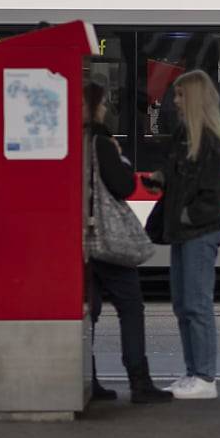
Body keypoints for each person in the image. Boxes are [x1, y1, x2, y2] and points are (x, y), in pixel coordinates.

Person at [144, 70, 220, 400]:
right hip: (185, 230)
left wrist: (185, 214)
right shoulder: (187, 136)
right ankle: (192, 372)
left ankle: (204, 377)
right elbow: (178, 175)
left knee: (196, 304)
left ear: (195, 98)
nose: (175, 101)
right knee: (184, 304)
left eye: (181, 95)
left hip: (199, 230)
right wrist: (160, 179)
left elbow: (212, 198)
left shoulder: (209, 141)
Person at [84, 83, 173, 404]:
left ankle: (87, 379)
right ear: (95, 106)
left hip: (79, 242)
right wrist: (121, 162)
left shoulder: (68, 141)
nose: (106, 109)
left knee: (88, 312)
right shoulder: (102, 143)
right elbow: (123, 186)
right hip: (106, 240)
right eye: (103, 104)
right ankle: (139, 381)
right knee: (131, 307)